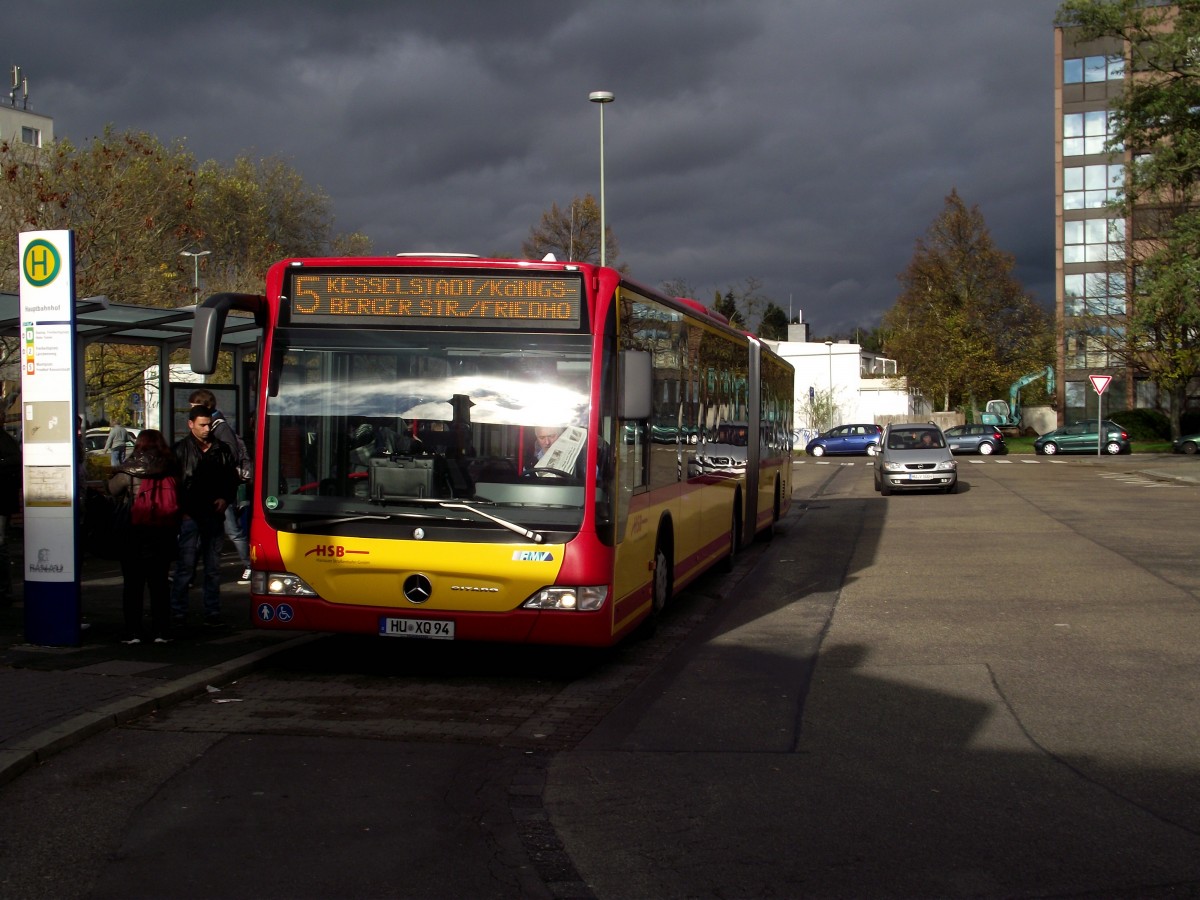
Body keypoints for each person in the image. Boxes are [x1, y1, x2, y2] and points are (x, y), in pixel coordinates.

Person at [170, 406, 239, 629]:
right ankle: (178, 611)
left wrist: (225, 498)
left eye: (209, 424)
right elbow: (175, 485)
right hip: (191, 515)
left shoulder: (221, 449)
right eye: (202, 424)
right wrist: (182, 509)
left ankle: (212, 610)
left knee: (212, 568)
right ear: (190, 424)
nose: (207, 428)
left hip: (212, 514)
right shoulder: (181, 450)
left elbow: (231, 479)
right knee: (186, 566)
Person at [108, 430, 179, 644]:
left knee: (133, 584)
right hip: (163, 531)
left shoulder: (129, 470)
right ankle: (161, 631)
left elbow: (112, 490)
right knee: (159, 584)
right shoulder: (171, 466)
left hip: (135, 531)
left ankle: (134, 632)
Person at [188, 388, 252, 585]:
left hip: (220, 489)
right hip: (212, 489)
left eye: (194, 406)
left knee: (232, 530)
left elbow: (228, 456)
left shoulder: (219, 427)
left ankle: (251, 565)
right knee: (201, 533)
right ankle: (189, 573)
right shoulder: (215, 426)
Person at [0, 409, 20, 606]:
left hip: (2, 500)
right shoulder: (7, 440)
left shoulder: (5, 441)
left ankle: (4, 589)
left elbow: (14, 463)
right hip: (4, 500)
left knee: (1, 544)